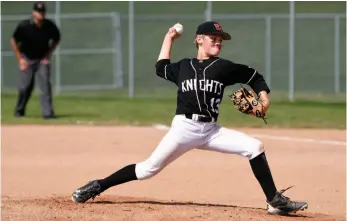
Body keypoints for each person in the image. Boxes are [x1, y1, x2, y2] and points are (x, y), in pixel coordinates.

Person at [71, 21, 308, 215]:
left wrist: (264, 98)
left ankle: (274, 201)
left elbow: (254, 76)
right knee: (146, 170)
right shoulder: (183, 67)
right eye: (212, 37)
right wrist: (169, 39)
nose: (217, 41)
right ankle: (98, 186)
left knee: (254, 147)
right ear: (198, 39)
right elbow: (161, 67)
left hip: (211, 131)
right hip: (183, 129)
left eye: (220, 39)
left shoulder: (223, 68)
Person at [11, 1, 61, 119]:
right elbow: (14, 40)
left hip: (41, 59)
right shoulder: (25, 26)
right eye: (38, 12)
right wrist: (20, 60)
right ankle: (19, 110)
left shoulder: (49, 26)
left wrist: (48, 55)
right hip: (27, 58)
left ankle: (48, 113)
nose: (41, 14)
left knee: (45, 86)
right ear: (34, 12)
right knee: (25, 87)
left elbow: (56, 39)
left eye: (43, 12)